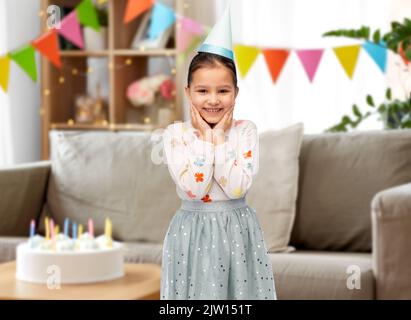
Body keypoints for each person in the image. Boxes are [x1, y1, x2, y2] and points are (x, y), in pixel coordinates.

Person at [160, 4, 277, 300]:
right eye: (202, 91)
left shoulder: (246, 131)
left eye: (223, 91)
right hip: (191, 233)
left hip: (237, 230)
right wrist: (206, 139)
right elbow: (194, 188)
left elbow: (237, 186)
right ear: (188, 92)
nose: (213, 100)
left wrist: (221, 139)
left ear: (236, 93)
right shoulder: (176, 135)